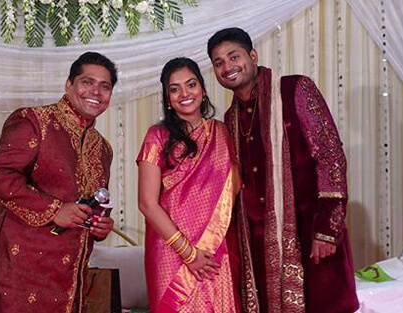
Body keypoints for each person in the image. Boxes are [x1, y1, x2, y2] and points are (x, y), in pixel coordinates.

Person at [207, 28, 359, 313]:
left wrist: (327, 229)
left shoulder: (294, 89)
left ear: (252, 56)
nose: (227, 67)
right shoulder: (231, 118)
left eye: (234, 56)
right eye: (218, 63)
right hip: (260, 246)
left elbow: (330, 156)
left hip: (311, 235)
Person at [0, 52, 117, 313]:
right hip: (21, 271)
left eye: (105, 86)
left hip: (70, 280)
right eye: (87, 82)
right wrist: (55, 209)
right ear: (69, 84)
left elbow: (91, 202)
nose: (95, 91)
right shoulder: (34, 121)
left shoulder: (102, 149)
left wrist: (100, 226)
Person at [137, 57, 243, 313]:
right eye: (175, 89)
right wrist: (188, 252)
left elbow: (235, 187)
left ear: (203, 90)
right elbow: (147, 203)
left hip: (215, 246)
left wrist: (204, 245)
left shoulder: (224, 132)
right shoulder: (157, 136)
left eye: (191, 84)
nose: (184, 94)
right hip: (171, 252)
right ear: (167, 98)